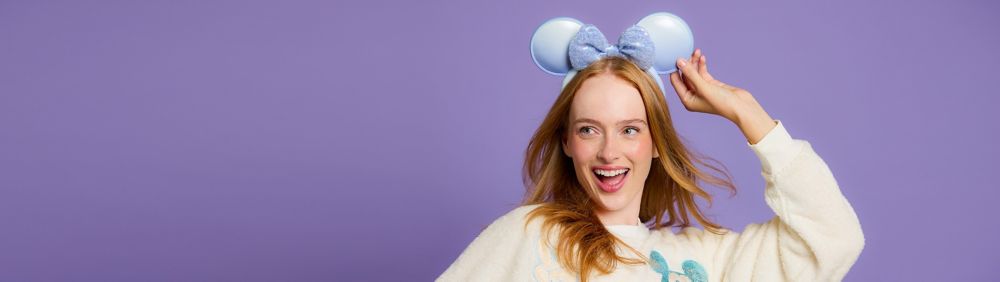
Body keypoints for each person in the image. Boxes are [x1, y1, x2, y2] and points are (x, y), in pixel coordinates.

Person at [438, 14, 864, 282]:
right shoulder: (532, 234)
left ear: (657, 142)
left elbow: (835, 240)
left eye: (629, 130)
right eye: (588, 130)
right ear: (566, 141)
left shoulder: (706, 260)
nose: (609, 152)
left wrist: (745, 111)